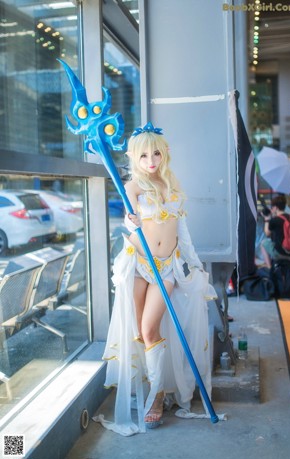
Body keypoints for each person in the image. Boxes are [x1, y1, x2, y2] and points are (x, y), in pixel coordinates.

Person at [97, 122, 217, 436]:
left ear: (164, 155)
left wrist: (194, 264)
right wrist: (129, 218)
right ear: (135, 159)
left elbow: (183, 234)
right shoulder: (133, 187)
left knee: (150, 328)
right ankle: (153, 387)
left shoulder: (173, 188)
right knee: (140, 331)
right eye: (144, 156)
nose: (151, 161)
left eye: (156, 154)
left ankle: (157, 396)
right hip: (139, 262)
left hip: (166, 267)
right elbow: (129, 219)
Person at [260, 195, 290, 268]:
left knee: (263, 243)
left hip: (280, 252)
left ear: (275, 208)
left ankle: (269, 268)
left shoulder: (275, 220)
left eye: (272, 207)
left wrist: (267, 218)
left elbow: (267, 233)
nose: (271, 209)